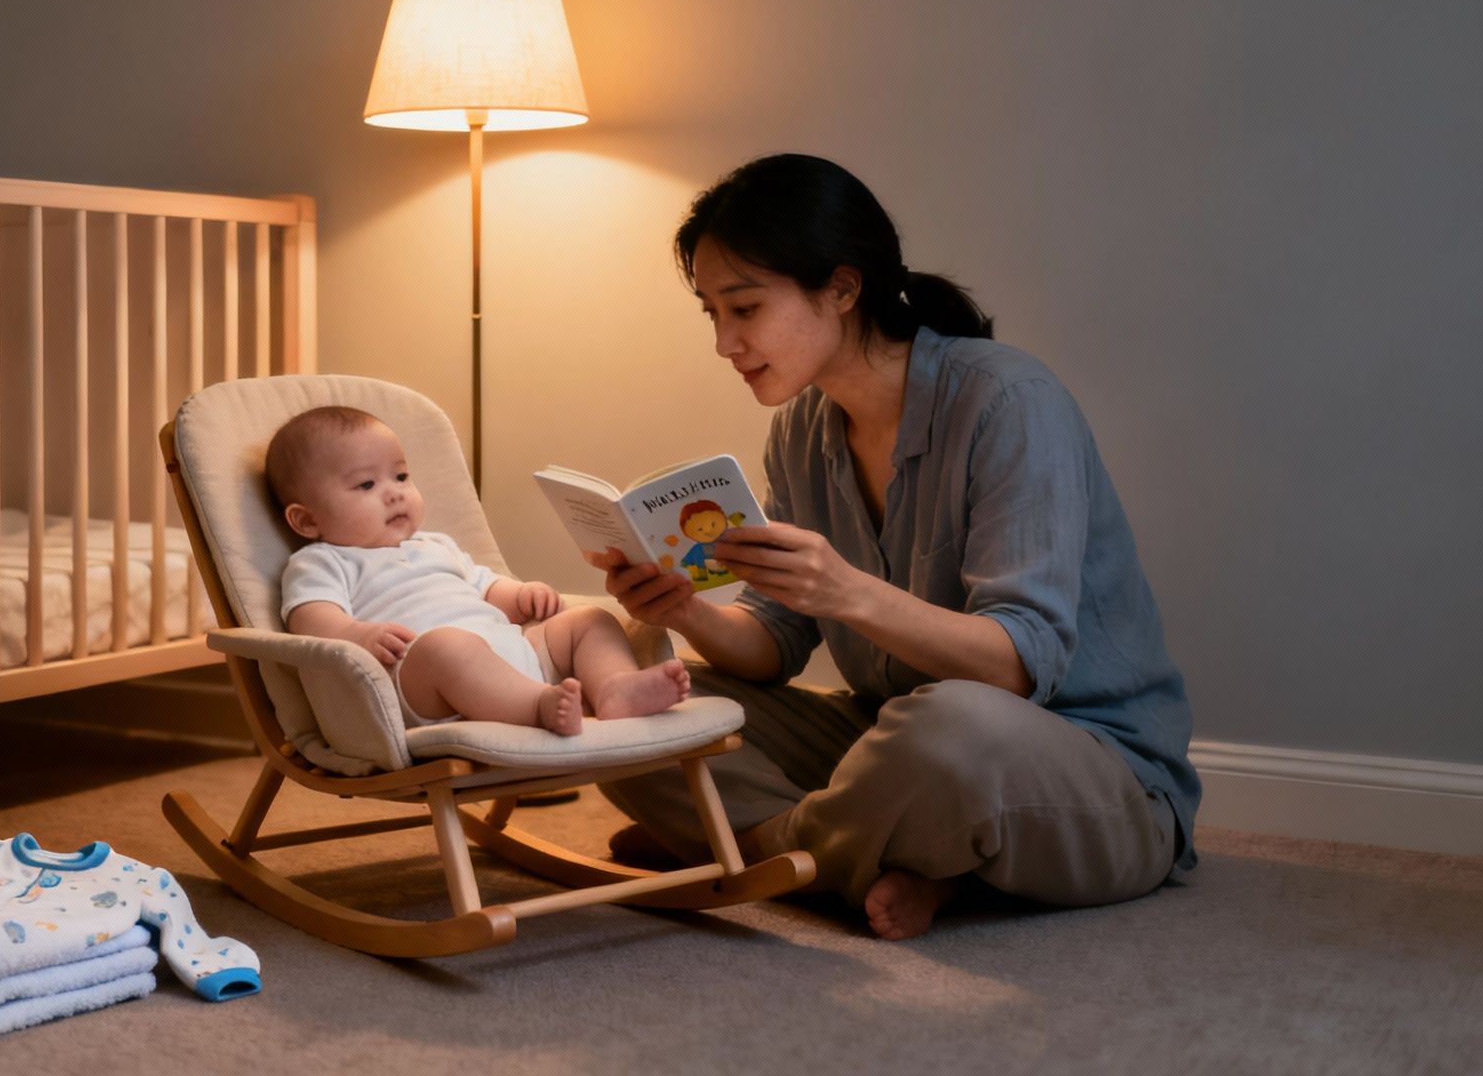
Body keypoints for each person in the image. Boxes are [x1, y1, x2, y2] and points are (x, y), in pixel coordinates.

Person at [593, 154, 1199, 940]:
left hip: (1082, 768)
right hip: (886, 741)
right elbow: (773, 645)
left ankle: (757, 849)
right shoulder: (804, 431)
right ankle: (891, 860)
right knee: (633, 693)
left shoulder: (1009, 402)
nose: (724, 342)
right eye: (711, 313)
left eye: (743, 308)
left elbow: (1020, 665)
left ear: (842, 289)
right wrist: (687, 614)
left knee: (950, 726)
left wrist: (848, 592)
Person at [268, 405, 691, 735]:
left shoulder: (437, 546)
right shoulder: (321, 560)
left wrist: (523, 595)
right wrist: (356, 634)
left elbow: (489, 590)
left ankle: (613, 687)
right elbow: (311, 618)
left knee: (589, 621)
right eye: (366, 485)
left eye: (400, 475)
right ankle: (535, 707)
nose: (395, 493)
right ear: (306, 521)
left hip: (516, 656)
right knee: (447, 647)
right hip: (425, 683)